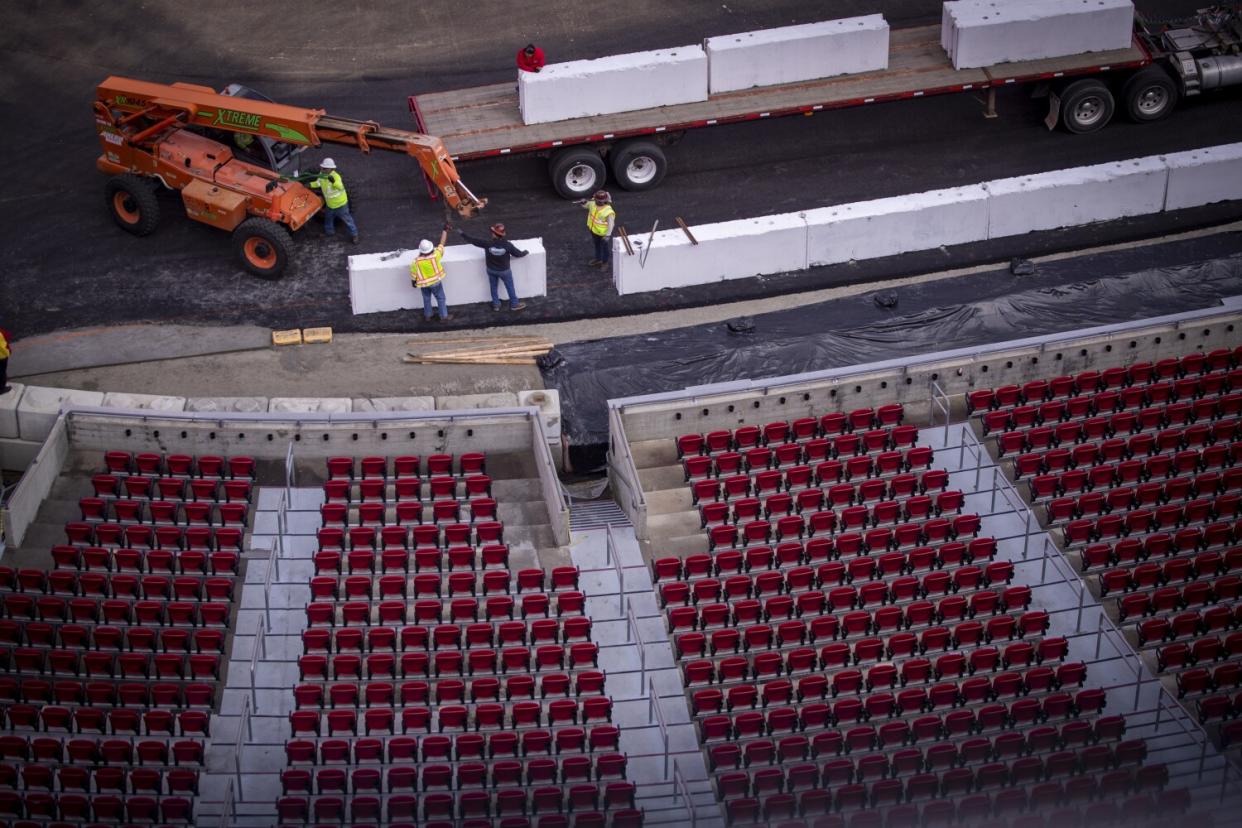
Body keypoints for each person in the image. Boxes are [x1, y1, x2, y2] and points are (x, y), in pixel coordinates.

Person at [458, 223, 529, 311]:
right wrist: (526, 252)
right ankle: (514, 304)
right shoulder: (508, 245)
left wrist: (462, 233)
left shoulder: (487, 244)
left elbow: (473, 241)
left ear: (494, 234)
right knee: (510, 287)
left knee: (493, 287)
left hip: (491, 270)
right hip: (504, 271)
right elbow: (518, 254)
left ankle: (496, 305)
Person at [308, 158, 359, 244]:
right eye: (322, 167)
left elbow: (340, 187)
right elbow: (318, 183)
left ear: (331, 169)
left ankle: (355, 235)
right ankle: (329, 232)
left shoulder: (336, 177)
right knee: (328, 219)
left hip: (341, 205)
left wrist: (333, 182)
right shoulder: (322, 175)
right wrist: (309, 185)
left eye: (325, 168)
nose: (322, 169)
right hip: (330, 205)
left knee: (348, 220)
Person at [412, 225, 451, 322]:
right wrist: (445, 230)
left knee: (426, 298)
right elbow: (441, 244)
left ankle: (428, 316)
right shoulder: (436, 256)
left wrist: (413, 281)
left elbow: (413, 273)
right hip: (436, 283)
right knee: (441, 298)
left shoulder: (415, 261)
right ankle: (444, 317)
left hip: (424, 284)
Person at [579, 189, 615, 269]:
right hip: (594, 231)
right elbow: (586, 205)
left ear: (604, 201)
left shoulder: (608, 211)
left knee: (604, 248)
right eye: (596, 200)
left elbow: (611, 224)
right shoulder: (592, 204)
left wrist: (608, 235)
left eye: (599, 201)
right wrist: (583, 203)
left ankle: (605, 262)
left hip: (603, 234)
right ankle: (598, 259)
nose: (597, 202)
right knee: (597, 246)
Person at [0, 327, 11, 395]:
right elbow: (2, 347)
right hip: (1, 357)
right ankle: (2, 389)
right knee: (2, 372)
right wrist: (8, 352)